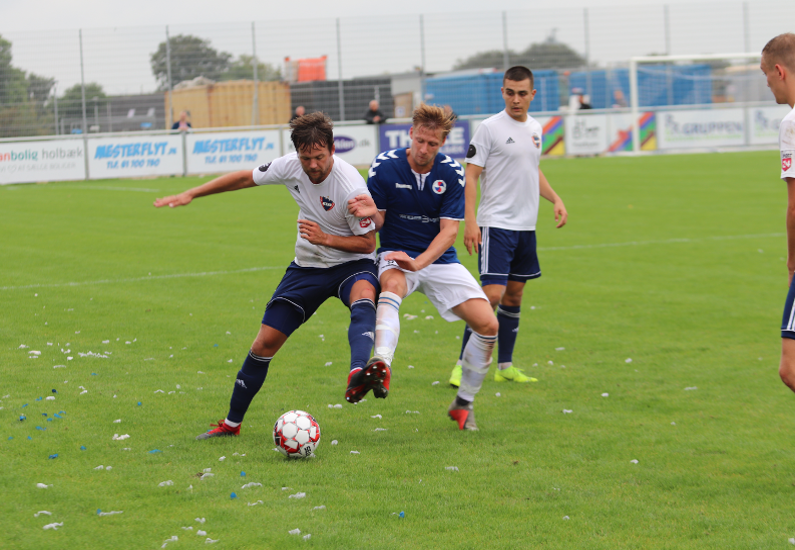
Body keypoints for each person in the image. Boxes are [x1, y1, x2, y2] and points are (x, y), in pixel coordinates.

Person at [153, 112, 383, 439]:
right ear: (297, 153)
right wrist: (192, 193)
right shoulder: (290, 165)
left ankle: (358, 373)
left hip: (352, 262)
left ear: (333, 150)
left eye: (319, 157)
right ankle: (231, 424)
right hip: (308, 266)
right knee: (264, 344)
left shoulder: (351, 187)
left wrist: (326, 238)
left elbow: (367, 243)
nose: (313, 165)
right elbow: (245, 178)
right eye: (306, 158)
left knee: (363, 298)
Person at [348, 104, 499, 431]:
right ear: (411, 134)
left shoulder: (451, 172)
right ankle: (382, 363)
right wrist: (368, 212)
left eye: (432, 144)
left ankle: (463, 403)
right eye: (420, 141)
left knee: (489, 325)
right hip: (395, 252)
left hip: (438, 259)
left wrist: (418, 262)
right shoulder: (384, 167)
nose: (424, 149)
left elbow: (449, 233)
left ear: (443, 143)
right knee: (392, 287)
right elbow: (379, 221)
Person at [449, 66, 568, 389]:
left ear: (532, 94)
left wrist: (555, 198)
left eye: (522, 93)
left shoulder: (535, 128)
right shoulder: (489, 129)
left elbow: (533, 168)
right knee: (490, 296)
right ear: (503, 92)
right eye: (510, 92)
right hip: (495, 225)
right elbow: (470, 176)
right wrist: (470, 222)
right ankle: (462, 365)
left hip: (525, 227)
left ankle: (505, 365)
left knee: (514, 295)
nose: (516, 99)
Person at [761, 33, 795, 392]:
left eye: (765, 73)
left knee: (791, 368)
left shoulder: (791, 124)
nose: (766, 81)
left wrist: (792, 264)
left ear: (780, 71)